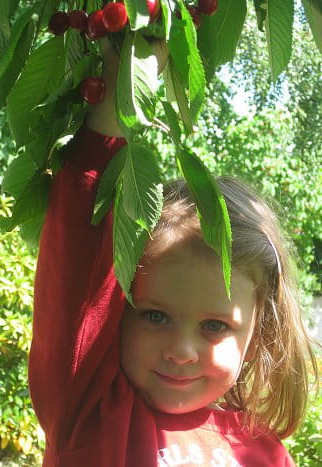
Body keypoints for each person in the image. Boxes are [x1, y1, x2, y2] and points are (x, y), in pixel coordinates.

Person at [28, 39, 318, 467]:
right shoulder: (88, 412)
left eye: (215, 325)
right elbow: (77, 257)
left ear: (258, 336)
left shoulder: (264, 452)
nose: (181, 350)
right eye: (154, 315)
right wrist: (126, 77)